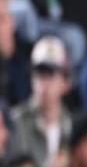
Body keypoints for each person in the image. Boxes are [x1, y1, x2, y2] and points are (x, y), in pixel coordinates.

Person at [11, 36, 72, 167]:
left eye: (50, 74)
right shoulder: (16, 121)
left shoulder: (70, 123)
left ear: (65, 82)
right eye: (38, 74)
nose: (43, 83)